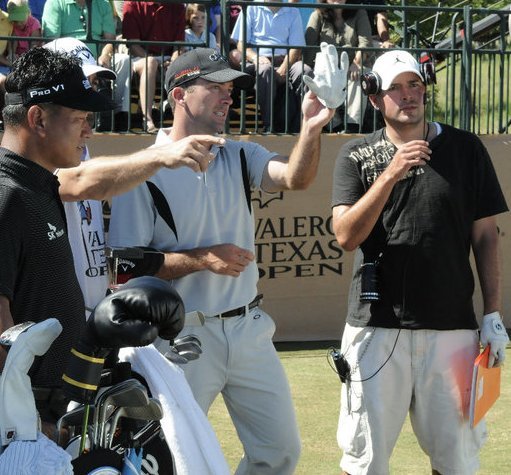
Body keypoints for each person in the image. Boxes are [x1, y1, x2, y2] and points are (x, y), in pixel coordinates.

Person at [108, 47, 337, 475]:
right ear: (178, 96)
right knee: (177, 460)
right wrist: (201, 259)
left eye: (230, 89)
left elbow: (295, 178)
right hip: (180, 340)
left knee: (280, 453)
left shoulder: (238, 152)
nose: (227, 97)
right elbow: (126, 267)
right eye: (214, 87)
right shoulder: (143, 168)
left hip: (248, 329)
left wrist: (311, 127)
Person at [331, 49, 509, 474]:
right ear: (374, 97)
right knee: (366, 460)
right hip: (374, 329)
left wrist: (493, 314)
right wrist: (391, 172)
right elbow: (345, 235)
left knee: (458, 459)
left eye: (414, 84)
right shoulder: (356, 154)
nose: (408, 95)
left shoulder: (466, 148)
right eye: (395, 87)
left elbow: (486, 235)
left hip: (452, 328)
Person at [45, 36, 226, 319]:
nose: (89, 91)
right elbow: (74, 182)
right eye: (80, 82)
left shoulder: (80, 142)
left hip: (88, 319)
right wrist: (160, 155)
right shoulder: (44, 148)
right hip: (56, 324)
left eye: (92, 83)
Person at [0, 46, 113, 435]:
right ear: (38, 119)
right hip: (24, 425)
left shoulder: (40, 187)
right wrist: (29, 424)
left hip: (50, 413)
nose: (89, 130)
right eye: (80, 118)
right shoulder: (7, 195)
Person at [42, 0, 131, 130]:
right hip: (68, 58)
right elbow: (52, 40)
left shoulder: (103, 4)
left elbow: (109, 39)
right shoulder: (55, 3)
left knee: (124, 60)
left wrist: (105, 55)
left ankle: (119, 114)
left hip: (98, 59)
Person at [231, 0, 312, 133]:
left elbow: (296, 46)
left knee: (305, 71)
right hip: (256, 62)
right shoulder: (251, 8)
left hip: (285, 61)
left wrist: (285, 67)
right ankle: (270, 125)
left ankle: (302, 126)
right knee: (265, 69)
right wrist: (256, 58)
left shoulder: (293, 11)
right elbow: (241, 44)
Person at [305, 0, 372, 132]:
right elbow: (310, 45)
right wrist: (308, 66)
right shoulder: (317, 14)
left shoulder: (360, 12)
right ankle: (333, 124)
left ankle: (353, 125)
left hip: (353, 63)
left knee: (359, 75)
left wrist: (356, 63)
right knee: (323, 76)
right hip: (327, 65)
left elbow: (365, 43)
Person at [121, 0, 186, 133]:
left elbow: (179, 45)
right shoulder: (132, 4)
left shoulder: (178, 6)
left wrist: (174, 60)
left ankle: (183, 120)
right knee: (150, 63)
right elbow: (133, 45)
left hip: (167, 59)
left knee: (183, 65)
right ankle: (147, 119)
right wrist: (155, 60)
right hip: (139, 58)